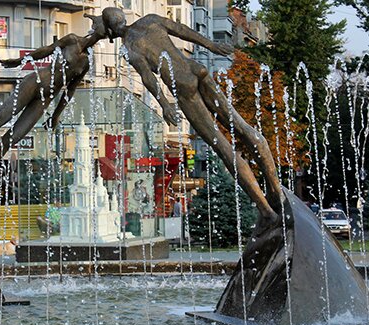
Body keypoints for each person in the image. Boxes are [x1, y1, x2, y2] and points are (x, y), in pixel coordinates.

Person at [100, 7, 283, 224]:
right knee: (243, 128)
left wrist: (165, 104)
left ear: (110, 29)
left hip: (184, 88)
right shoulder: (149, 20)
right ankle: (276, 191)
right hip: (196, 68)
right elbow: (182, 30)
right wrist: (211, 45)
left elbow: (148, 79)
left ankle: (267, 211)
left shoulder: (130, 48)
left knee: (224, 148)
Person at [0, 14, 108, 205]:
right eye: (104, 29)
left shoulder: (86, 63)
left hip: (45, 98)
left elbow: (70, 90)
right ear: (96, 26)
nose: (104, 34)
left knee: (12, 138)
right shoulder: (72, 39)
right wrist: (20, 61)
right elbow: (46, 51)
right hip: (34, 83)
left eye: (107, 32)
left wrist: (56, 116)